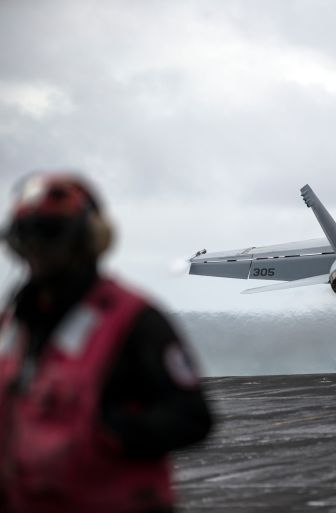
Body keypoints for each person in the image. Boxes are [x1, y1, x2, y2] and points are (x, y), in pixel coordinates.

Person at [0, 173, 212, 513]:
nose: (36, 246)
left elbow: (191, 416)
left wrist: (108, 434)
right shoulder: (15, 325)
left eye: (50, 232)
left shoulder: (133, 321)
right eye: (26, 233)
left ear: (84, 239)